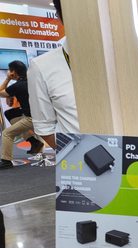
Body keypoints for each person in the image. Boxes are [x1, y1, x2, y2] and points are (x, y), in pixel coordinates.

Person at [27, 0, 79, 149]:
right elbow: (44, 127)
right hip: (78, 158)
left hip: (132, 153)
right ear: (62, 17)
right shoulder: (41, 66)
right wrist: (72, 153)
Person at [0, 60, 43, 169]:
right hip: (41, 114)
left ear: (13, 72)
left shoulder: (17, 86)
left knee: (7, 133)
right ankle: (33, 141)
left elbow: (0, 92)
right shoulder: (31, 82)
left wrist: (8, 78)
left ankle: (6, 161)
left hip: (32, 118)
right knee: (10, 113)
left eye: (10, 70)